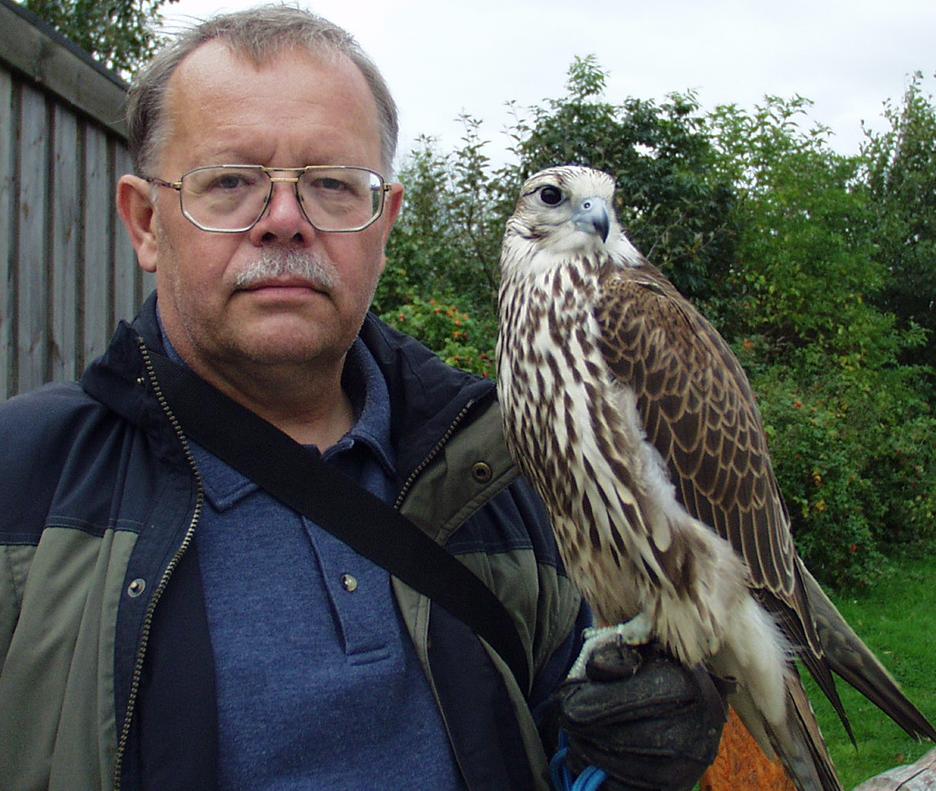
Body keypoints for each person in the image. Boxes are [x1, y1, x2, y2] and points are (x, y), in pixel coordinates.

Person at [0, 6, 726, 790]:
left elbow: (563, 742)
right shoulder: (23, 481)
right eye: (233, 183)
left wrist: (624, 760)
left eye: (334, 186)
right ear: (146, 222)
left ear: (385, 223)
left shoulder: (502, 468)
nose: (284, 221)